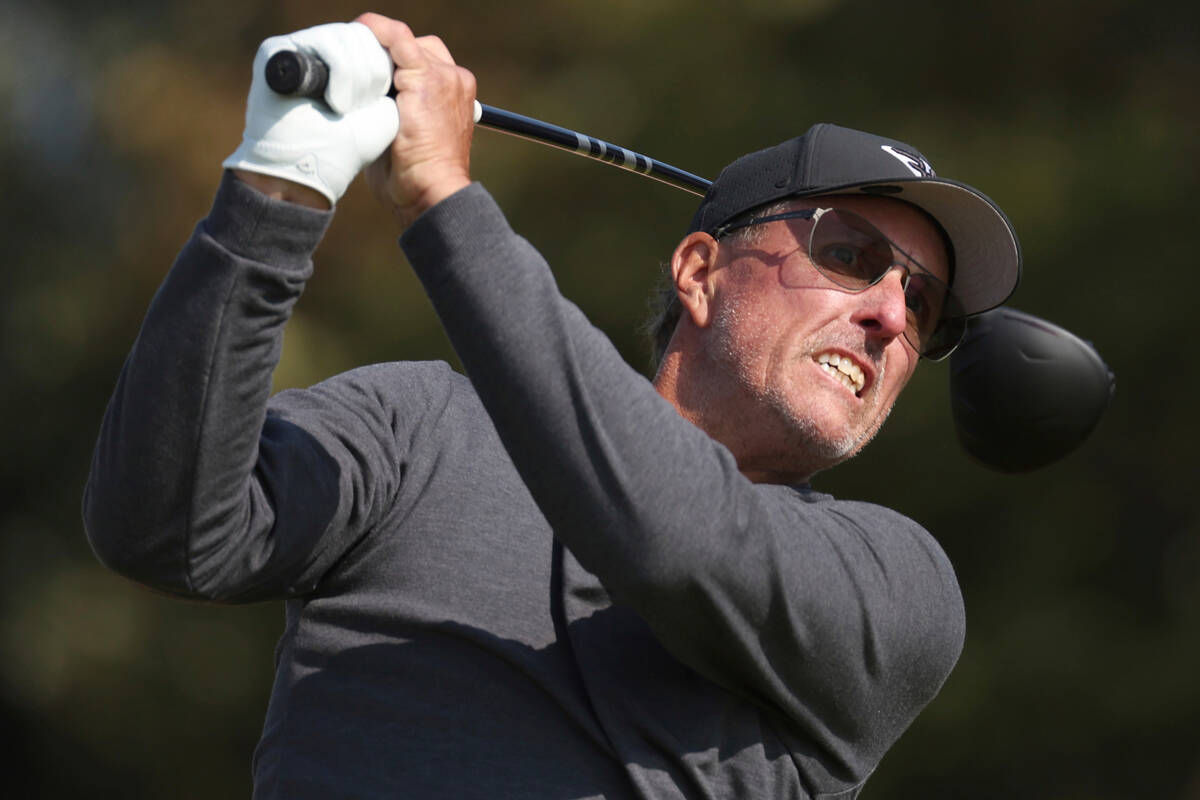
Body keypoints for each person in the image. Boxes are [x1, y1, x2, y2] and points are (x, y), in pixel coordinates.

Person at [83, 13, 1020, 800]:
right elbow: (166, 531)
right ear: (700, 274)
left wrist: (443, 201)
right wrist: (275, 186)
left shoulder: (897, 582)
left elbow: (676, 534)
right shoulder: (421, 426)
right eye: (850, 254)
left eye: (924, 305)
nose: (891, 314)